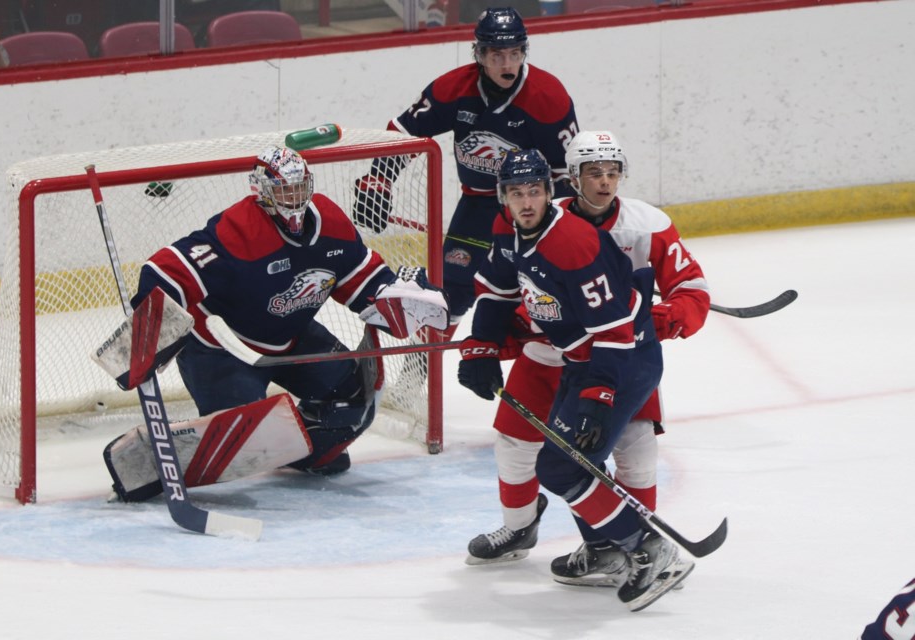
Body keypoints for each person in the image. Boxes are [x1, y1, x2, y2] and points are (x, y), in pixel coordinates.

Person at [464, 131, 711, 587]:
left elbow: (659, 308)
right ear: (571, 180)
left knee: (622, 451)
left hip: (613, 356)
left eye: (612, 172)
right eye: (593, 173)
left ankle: (636, 547)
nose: (604, 182)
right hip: (560, 353)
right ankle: (588, 544)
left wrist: (664, 319)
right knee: (529, 450)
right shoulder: (516, 227)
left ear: (548, 189)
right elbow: (502, 290)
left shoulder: (611, 233)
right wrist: (484, 342)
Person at [118, 146, 449, 485]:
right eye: (283, 189)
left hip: (291, 337)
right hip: (223, 349)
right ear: (261, 190)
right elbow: (164, 270)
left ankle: (305, 452)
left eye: (299, 187)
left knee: (353, 400)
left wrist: (395, 299)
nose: (293, 197)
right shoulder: (240, 230)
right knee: (246, 435)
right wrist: (151, 326)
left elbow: (363, 280)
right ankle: (160, 464)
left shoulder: (331, 224)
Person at [352, 6, 579, 324]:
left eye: (515, 54)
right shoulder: (454, 88)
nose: (508, 64)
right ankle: (426, 365)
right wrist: (378, 180)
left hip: (530, 207)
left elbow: (567, 171)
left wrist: (561, 221)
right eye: (498, 55)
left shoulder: (548, 97)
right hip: (478, 205)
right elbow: (405, 132)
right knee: (451, 292)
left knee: (544, 294)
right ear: (480, 55)